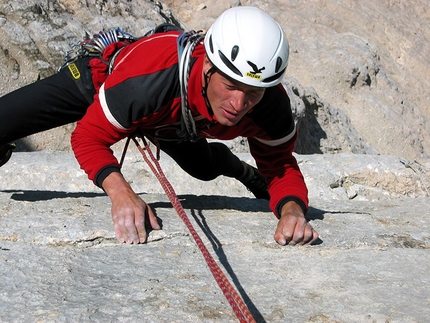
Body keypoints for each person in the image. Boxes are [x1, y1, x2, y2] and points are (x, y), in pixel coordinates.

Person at [0, 6, 319, 246]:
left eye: (252, 93)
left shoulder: (270, 106)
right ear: (208, 64)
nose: (238, 104)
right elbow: (87, 137)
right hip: (100, 83)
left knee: (204, 169)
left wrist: (292, 209)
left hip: (171, 120)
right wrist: (121, 193)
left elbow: (280, 164)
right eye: (230, 85)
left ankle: (241, 171)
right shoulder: (150, 79)